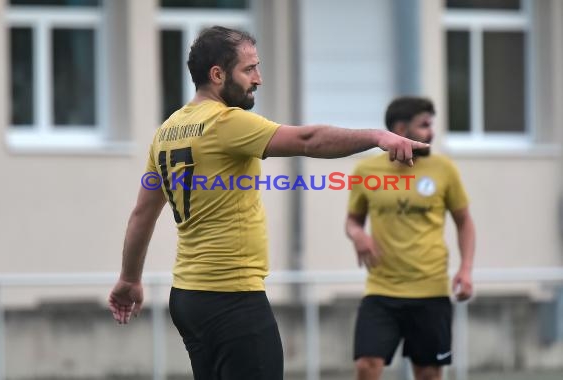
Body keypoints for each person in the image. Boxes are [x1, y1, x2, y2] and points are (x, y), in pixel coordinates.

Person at [108, 26, 428, 380]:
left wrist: (129, 278)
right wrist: (377, 136)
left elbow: (142, 214)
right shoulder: (225, 122)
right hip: (231, 297)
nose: (258, 79)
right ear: (217, 75)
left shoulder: (166, 132)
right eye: (249, 69)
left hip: (188, 297)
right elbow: (309, 140)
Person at [345, 96, 476, 380]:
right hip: (381, 291)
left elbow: (464, 222)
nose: (431, 133)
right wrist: (358, 235)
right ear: (401, 129)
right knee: (367, 365)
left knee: (428, 373)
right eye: (425, 125)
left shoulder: (444, 170)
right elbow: (353, 221)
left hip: (431, 291)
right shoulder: (366, 171)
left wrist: (465, 270)